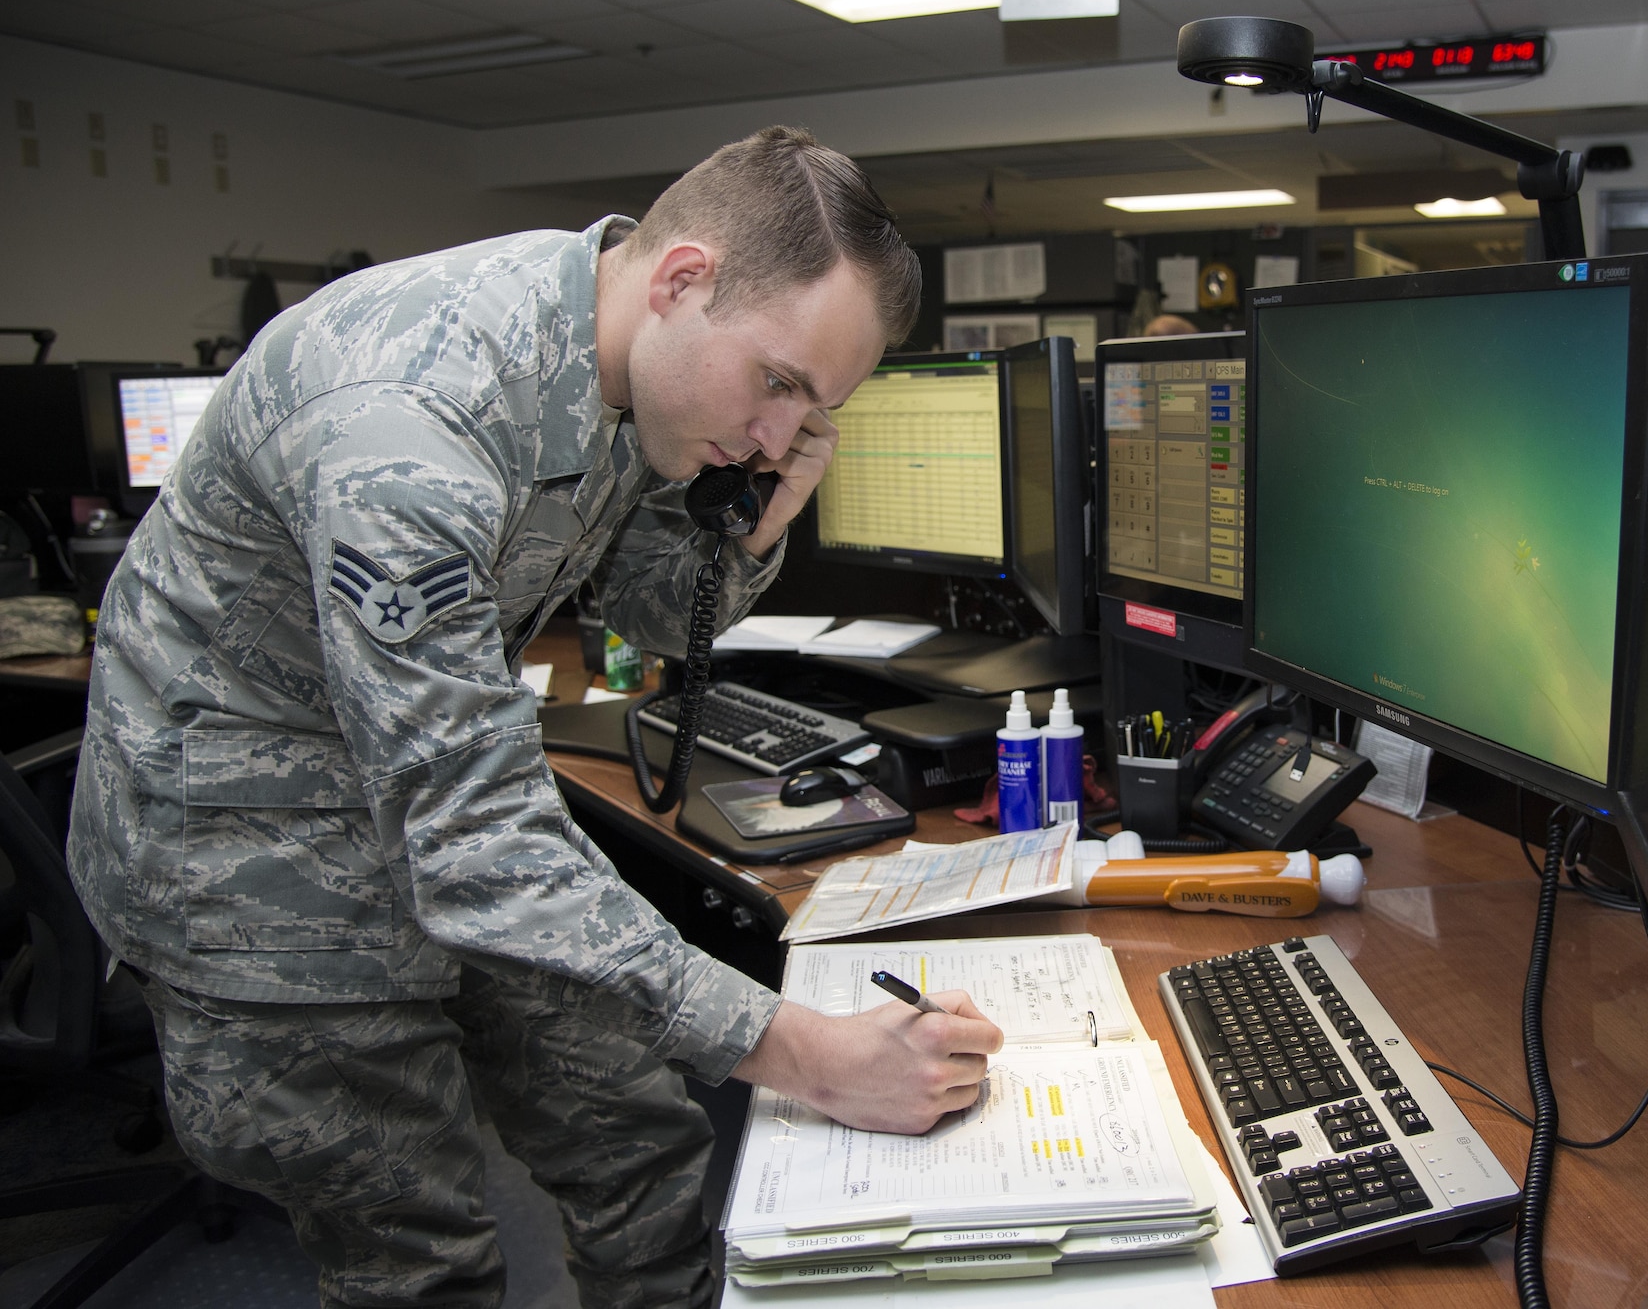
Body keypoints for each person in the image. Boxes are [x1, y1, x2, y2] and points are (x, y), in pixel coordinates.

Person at [67, 126, 1003, 1309]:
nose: (779, 431)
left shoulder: (627, 364)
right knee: (422, 1257)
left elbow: (660, 620)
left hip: (430, 798)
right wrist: (803, 1053)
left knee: (642, 1152)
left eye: (811, 409)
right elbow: (474, 846)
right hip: (247, 866)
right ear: (680, 280)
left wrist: (751, 516)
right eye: (777, 384)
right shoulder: (408, 424)